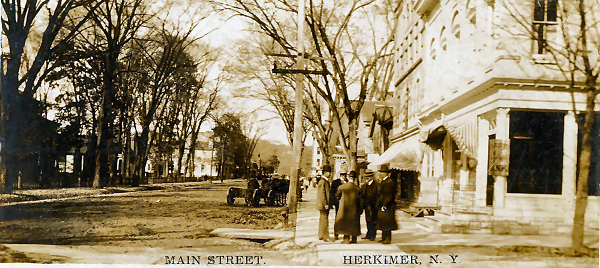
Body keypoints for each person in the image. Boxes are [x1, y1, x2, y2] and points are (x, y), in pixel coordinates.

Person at [334, 170, 361, 244]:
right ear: (355, 178)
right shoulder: (357, 188)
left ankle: (346, 239)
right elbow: (360, 199)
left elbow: (337, 196)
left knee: (345, 222)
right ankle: (354, 239)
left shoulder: (342, 187)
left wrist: (341, 201)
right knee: (354, 222)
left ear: (349, 177)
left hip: (344, 208)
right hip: (354, 208)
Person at [375, 165, 398, 244]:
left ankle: (387, 239)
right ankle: (384, 237)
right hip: (383, 205)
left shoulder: (389, 182)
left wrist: (385, 205)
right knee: (383, 222)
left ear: (386, 173)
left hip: (387, 206)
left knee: (387, 222)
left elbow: (389, 195)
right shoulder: (384, 181)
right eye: (381, 172)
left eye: (383, 172)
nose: (381, 174)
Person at [360, 169, 379, 241]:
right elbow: (361, 195)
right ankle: (368, 234)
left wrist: (376, 205)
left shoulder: (376, 185)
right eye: (366, 176)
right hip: (366, 206)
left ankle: (372, 235)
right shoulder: (364, 185)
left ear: (372, 177)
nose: (367, 178)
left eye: (369, 176)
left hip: (373, 206)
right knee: (367, 220)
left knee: (373, 220)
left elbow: (378, 196)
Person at [316, 165, 333, 242]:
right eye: (329, 172)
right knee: (325, 220)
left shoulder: (324, 181)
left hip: (322, 205)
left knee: (322, 220)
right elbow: (322, 194)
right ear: (325, 173)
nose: (330, 174)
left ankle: (321, 235)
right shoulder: (323, 181)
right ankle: (326, 237)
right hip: (323, 205)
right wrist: (325, 204)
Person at [330, 171, 343, 240]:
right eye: (342, 175)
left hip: (345, 202)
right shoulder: (335, 182)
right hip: (338, 202)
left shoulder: (347, 182)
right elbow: (332, 192)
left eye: (344, 175)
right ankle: (336, 233)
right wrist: (333, 202)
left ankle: (345, 233)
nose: (343, 176)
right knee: (338, 217)